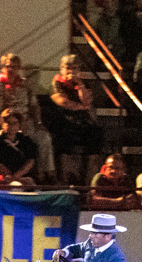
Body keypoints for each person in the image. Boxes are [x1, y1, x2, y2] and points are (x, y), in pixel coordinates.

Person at [0, 51, 53, 182]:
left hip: (26, 120)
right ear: (3, 68)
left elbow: (34, 105)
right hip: (8, 121)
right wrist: (5, 99)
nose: (11, 70)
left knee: (44, 137)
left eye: (14, 67)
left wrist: (38, 122)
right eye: (8, 66)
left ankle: (47, 174)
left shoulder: (24, 84)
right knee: (19, 136)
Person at [50, 54, 102, 184]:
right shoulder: (57, 83)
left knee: (96, 133)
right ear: (61, 69)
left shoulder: (83, 83)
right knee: (65, 134)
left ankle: (89, 180)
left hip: (82, 119)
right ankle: (65, 180)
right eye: (68, 68)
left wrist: (79, 84)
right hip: (64, 118)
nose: (71, 71)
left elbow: (87, 100)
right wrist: (82, 107)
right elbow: (63, 102)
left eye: (74, 68)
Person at [0, 108, 38, 184]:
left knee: (29, 182)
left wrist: (16, 176)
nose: (11, 126)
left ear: (19, 124)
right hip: (3, 176)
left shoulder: (25, 140)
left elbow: (30, 161)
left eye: (15, 123)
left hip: (20, 175)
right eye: (8, 123)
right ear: (2, 124)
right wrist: (9, 176)